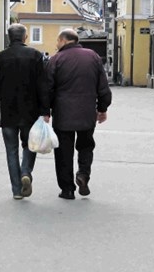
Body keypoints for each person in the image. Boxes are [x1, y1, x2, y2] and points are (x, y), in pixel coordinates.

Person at [45, 29, 112, 200]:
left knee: (63, 153)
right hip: (87, 113)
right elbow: (103, 87)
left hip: (62, 115)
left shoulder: (56, 59)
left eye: (57, 41)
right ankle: (83, 174)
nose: (56, 44)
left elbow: (47, 89)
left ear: (63, 40)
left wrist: (45, 111)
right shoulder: (93, 56)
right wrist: (102, 109)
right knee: (86, 146)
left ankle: (67, 189)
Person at [0, 23, 49, 200]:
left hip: (8, 113)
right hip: (31, 113)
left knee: (11, 150)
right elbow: (42, 86)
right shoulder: (35, 56)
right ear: (25, 37)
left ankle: (17, 190)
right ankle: (26, 172)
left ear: (9, 37)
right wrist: (46, 111)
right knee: (31, 145)